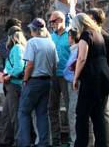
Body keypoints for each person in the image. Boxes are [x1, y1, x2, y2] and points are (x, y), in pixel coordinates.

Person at [72, 13, 109, 147]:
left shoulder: (86, 35)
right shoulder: (98, 34)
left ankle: (81, 144)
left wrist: (76, 77)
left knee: (82, 114)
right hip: (103, 78)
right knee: (98, 116)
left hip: (91, 78)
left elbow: (82, 58)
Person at [17, 18, 58, 147]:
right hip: (47, 81)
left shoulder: (32, 42)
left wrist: (25, 80)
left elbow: (29, 64)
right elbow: (55, 64)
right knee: (42, 113)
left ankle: (25, 143)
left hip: (34, 81)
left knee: (23, 112)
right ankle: (44, 143)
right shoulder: (51, 43)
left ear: (33, 30)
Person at [87, 8, 109, 146]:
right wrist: (108, 74)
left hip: (92, 79)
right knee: (104, 113)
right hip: (102, 78)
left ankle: (94, 143)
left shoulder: (91, 35)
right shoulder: (107, 36)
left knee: (93, 112)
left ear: (93, 19)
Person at [0, 26, 27, 147]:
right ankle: (6, 140)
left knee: (14, 115)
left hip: (14, 84)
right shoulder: (17, 48)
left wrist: (8, 76)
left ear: (11, 36)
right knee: (7, 114)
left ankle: (17, 141)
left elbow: (19, 67)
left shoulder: (17, 48)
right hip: (11, 85)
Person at [48, 11, 71, 147]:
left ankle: (70, 138)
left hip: (66, 76)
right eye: (50, 22)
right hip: (53, 75)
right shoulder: (51, 37)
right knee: (52, 107)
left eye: (53, 21)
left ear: (61, 20)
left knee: (70, 107)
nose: (51, 24)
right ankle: (55, 139)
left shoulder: (70, 35)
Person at [63, 29, 79, 147]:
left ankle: (75, 141)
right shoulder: (73, 49)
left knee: (73, 111)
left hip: (75, 83)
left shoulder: (77, 50)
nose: (67, 38)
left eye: (68, 36)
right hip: (71, 82)